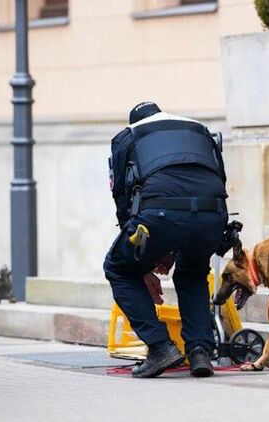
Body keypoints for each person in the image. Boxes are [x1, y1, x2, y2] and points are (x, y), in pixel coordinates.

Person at [103, 102, 228, 378]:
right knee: (193, 273)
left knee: (119, 269)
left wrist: (143, 264)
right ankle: (200, 351)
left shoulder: (128, 136)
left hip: (158, 214)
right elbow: (219, 178)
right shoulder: (199, 130)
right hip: (212, 214)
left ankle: (160, 347)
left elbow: (122, 198)